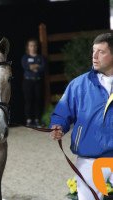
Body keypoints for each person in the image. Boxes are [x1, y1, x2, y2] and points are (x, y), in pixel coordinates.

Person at [50, 33, 113, 200]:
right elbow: (62, 113)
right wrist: (58, 125)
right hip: (89, 159)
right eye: (93, 51)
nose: (94, 56)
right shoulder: (78, 85)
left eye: (101, 52)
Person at [21, 38, 45, 127]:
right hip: (28, 82)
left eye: (35, 45)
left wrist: (34, 67)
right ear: (28, 47)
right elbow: (26, 66)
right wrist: (35, 66)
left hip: (38, 81)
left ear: (37, 47)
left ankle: (37, 119)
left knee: (38, 100)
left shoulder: (40, 57)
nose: (33, 47)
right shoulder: (25, 57)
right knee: (28, 101)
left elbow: (42, 67)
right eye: (31, 45)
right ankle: (29, 120)